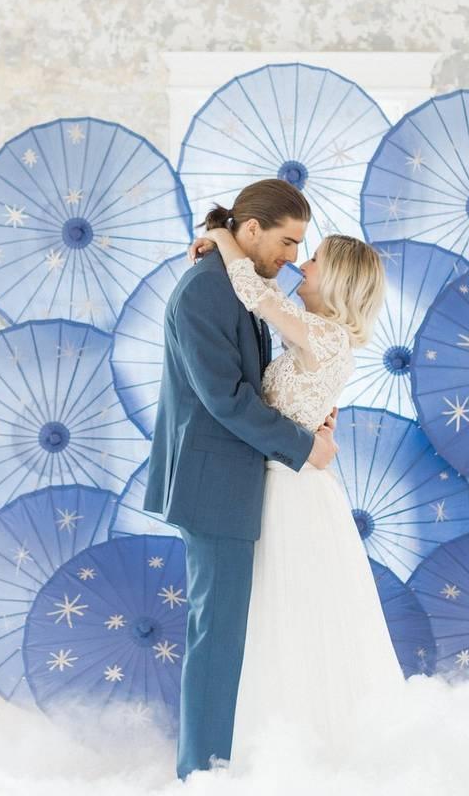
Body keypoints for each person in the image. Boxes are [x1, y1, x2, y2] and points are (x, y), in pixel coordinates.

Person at [187, 215, 405, 770]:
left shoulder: (324, 335)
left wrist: (220, 237)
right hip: (288, 479)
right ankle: (275, 748)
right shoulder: (320, 336)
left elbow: (254, 293)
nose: (299, 265)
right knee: (279, 616)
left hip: (291, 490)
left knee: (284, 616)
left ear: (335, 279)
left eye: (312, 261)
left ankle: (289, 756)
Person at [142, 179, 340, 780]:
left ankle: (225, 764)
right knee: (217, 635)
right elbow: (227, 399)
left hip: (237, 480)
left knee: (235, 632)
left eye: (300, 245)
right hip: (213, 486)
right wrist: (307, 447)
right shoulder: (205, 291)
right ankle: (199, 776)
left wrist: (308, 416)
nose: (290, 256)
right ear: (251, 230)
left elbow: (257, 386)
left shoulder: (237, 280)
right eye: (287, 241)